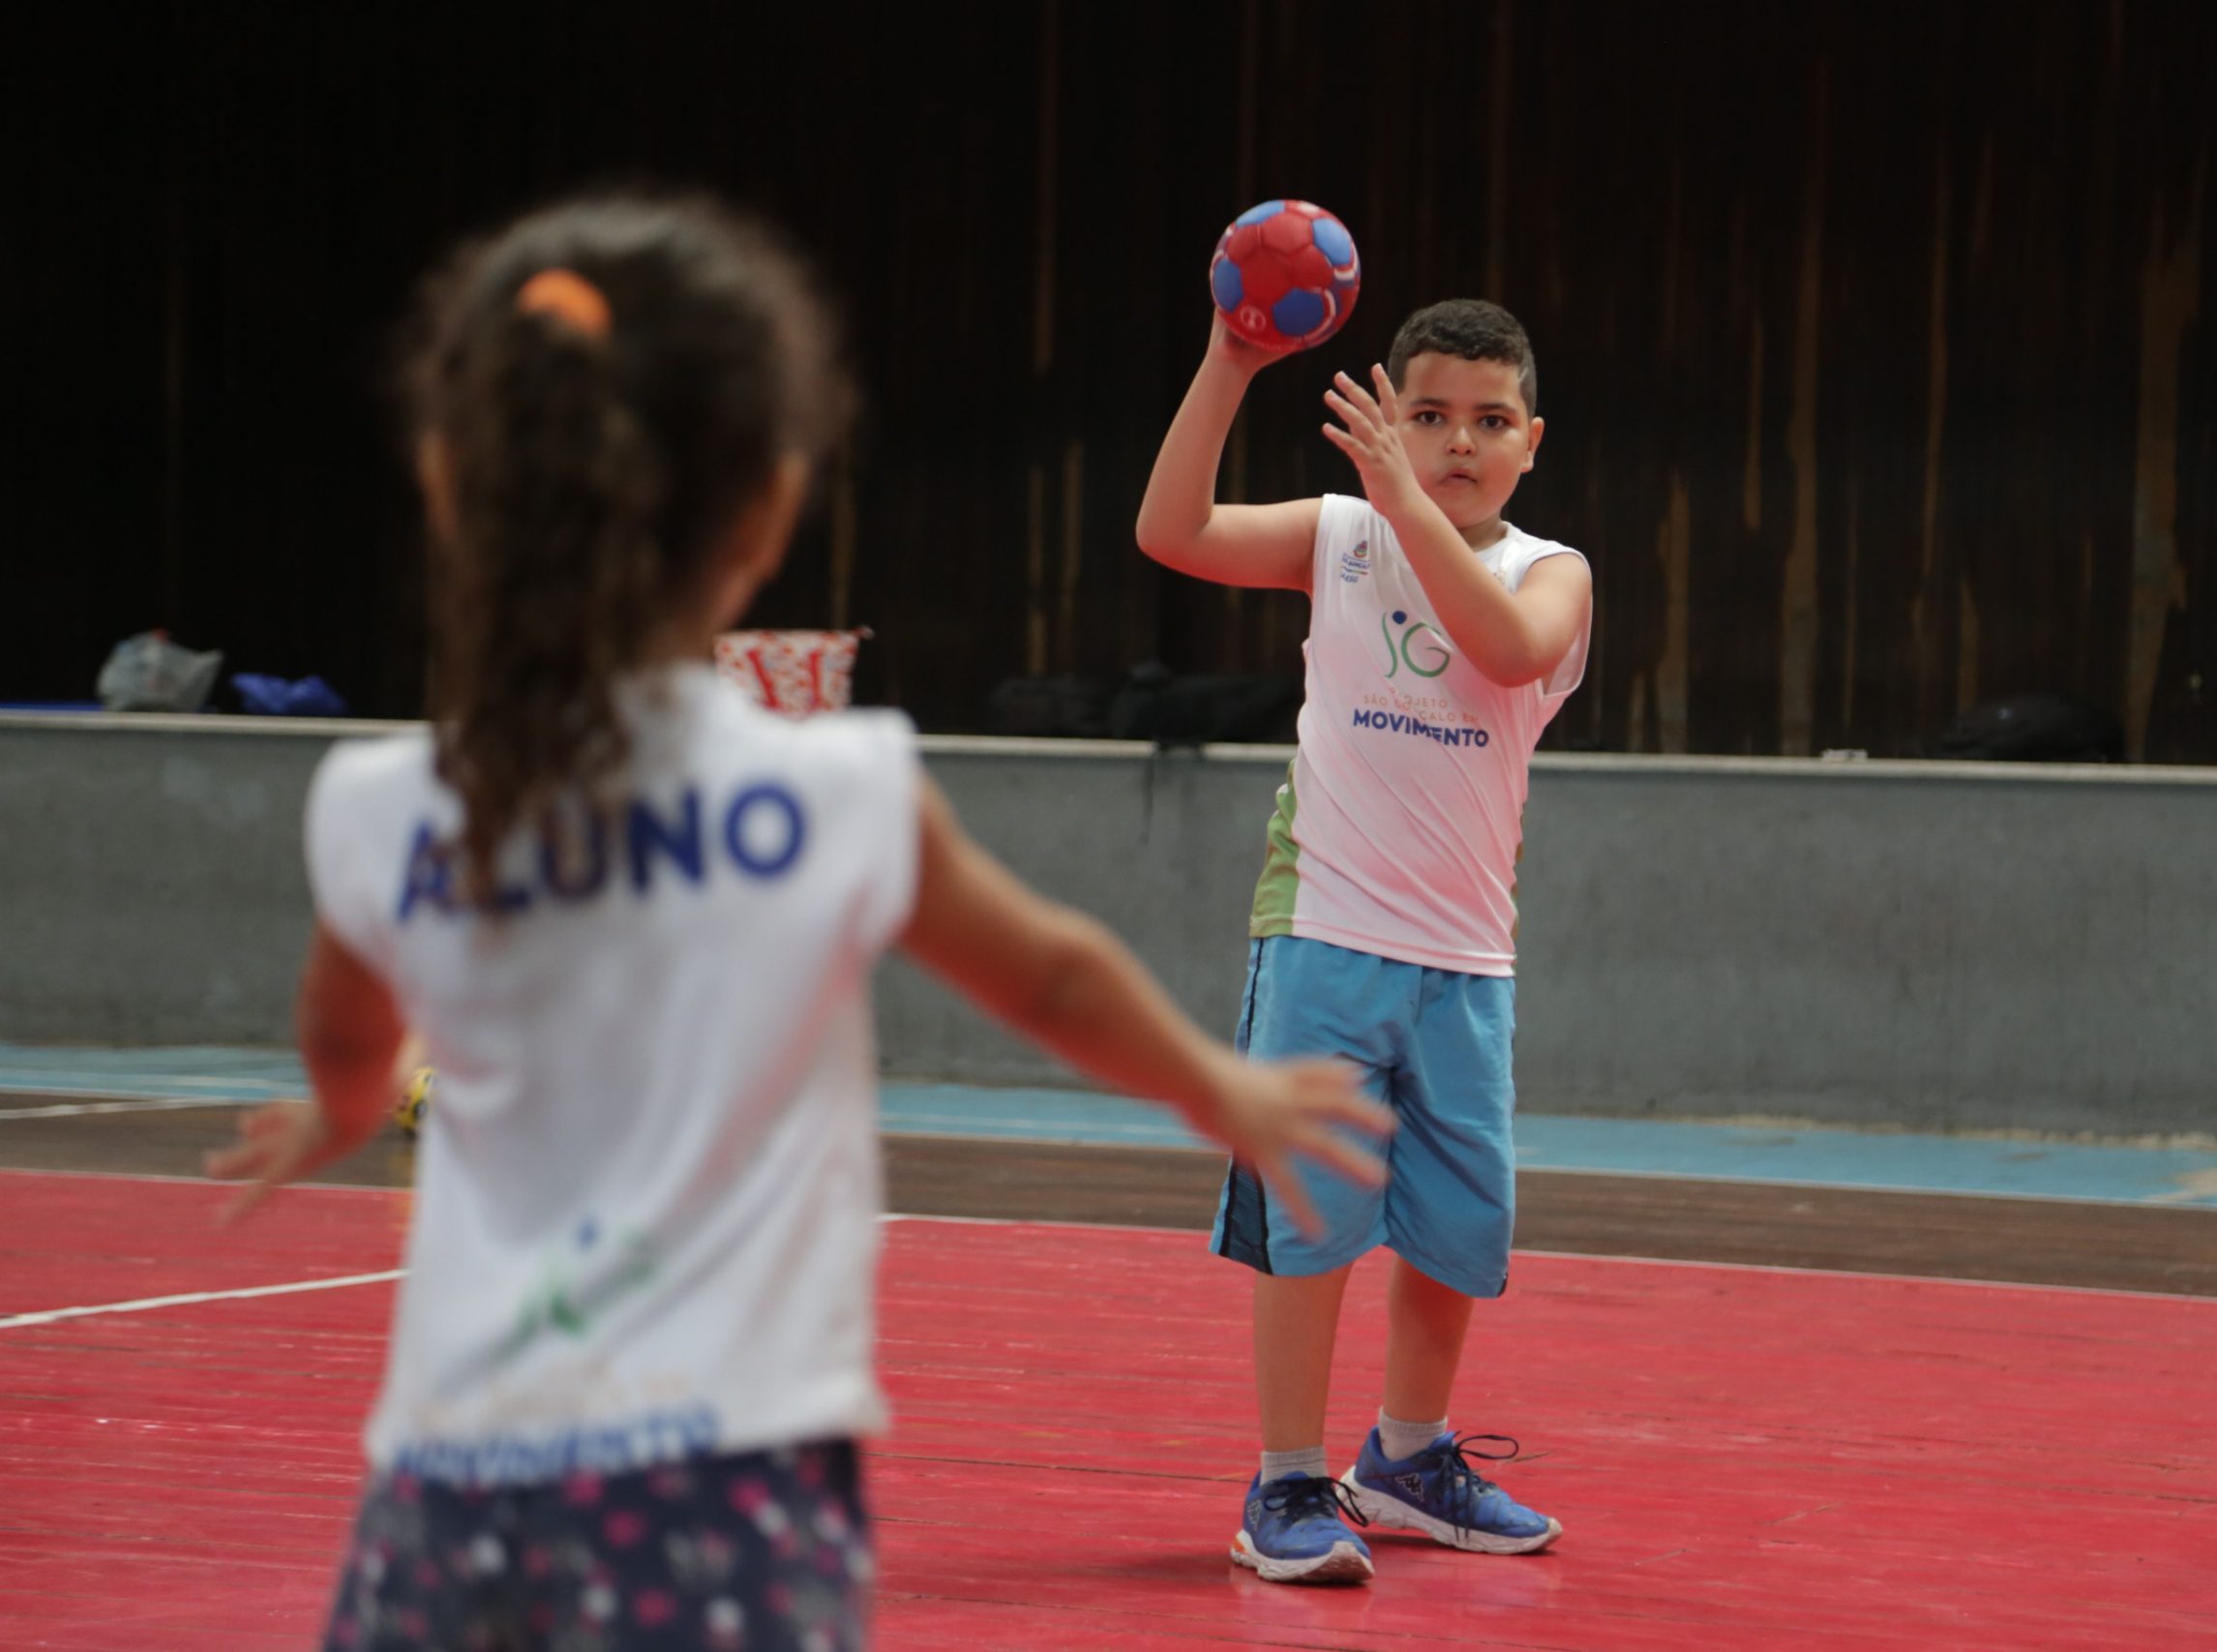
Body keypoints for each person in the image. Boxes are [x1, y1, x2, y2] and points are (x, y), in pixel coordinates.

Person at [206, 192, 1388, 1650]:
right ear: (767, 507)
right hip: (729, 1494)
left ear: (452, 488)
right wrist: (1225, 1086)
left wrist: (327, 1116)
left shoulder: (388, 803)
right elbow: (1056, 976)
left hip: (452, 1493)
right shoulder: (835, 791)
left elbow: (346, 1040)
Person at [1134, 297, 1593, 1583]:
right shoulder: (1338, 537)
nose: (1457, 442)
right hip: (1325, 928)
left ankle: (1405, 1457)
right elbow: (1170, 530)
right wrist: (1228, 358)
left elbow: (1504, 654)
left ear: (1531, 441)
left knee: (1455, 1232)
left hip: (1464, 956)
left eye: (1489, 420)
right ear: (1387, 416)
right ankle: (1286, 1483)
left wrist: (1404, 507)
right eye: (1431, 414)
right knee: (1313, 1218)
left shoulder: (1552, 571)